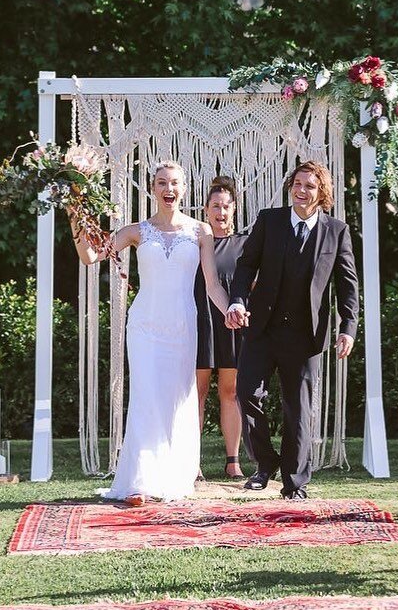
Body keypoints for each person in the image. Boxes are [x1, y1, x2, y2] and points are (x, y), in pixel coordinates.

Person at [70, 161, 231, 504]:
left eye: (174, 183)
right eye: (161, 183)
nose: (168, 189)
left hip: (183, 326)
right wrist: (75, 215)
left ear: (184, 188)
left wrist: (230, 309)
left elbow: (213, 285)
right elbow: (90, 255)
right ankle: (140, 483)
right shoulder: (136, 231)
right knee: (145, 397)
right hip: (144, 327)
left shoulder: (201, 231)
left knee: (177, 400)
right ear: (152, 189)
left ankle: (171, 477)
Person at [226, 161, 359, 500]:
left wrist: (348, 327)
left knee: (298, 410)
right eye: (297, 184)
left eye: (309, 186)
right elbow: (246, 264)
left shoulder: (337, 231)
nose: (302, 190)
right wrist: (238, 300)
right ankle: (266, 462)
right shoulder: (269, 221)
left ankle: (295, 484)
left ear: (322, 193)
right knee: (246, 393)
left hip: (305, 335)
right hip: (263, 328)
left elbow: (347, 285)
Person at [194, 176, 248, 480]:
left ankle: (233, 461)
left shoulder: (245, 244)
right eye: (215, 206)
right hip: (199, 322)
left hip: (232, 325)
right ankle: (192, 462)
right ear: (206, 209)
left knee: (231, 391)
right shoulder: (195, 243)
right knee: (197, 393)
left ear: (234, 209)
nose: (221, 212)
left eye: (226, 206)